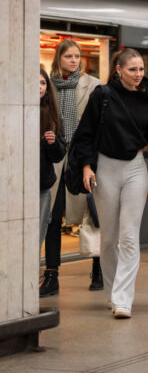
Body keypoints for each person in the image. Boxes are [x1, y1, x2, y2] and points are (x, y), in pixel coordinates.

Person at [73, 48, 148, 318]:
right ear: (118, 70)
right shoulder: (102, 95)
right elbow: (86, 132)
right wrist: (86, 166)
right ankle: (111, 292)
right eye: (132, 69)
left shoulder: (146, 97)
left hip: (135, 168)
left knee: (129, 236)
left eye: (141, 69)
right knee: (109, 238)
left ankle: (123, 299)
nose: (138, 74)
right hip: (105, 168)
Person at [42, 39, 103, 297]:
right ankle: (51, 275)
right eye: (68, 56)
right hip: (56, 155)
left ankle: (98, 268)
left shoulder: (94, 85)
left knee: (93, 213)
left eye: (77, 56)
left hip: (84, 156)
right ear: (59, 58)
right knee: (53, 217)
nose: (74, 60)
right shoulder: (47, 85)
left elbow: (100, 123)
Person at [39, 67, 66, 249]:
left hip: (42, 187)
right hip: (13, 188)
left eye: (43, 83)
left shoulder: (53, 115)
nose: (39, 87)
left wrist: (53, 143)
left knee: (37, 239)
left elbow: (58, 156)